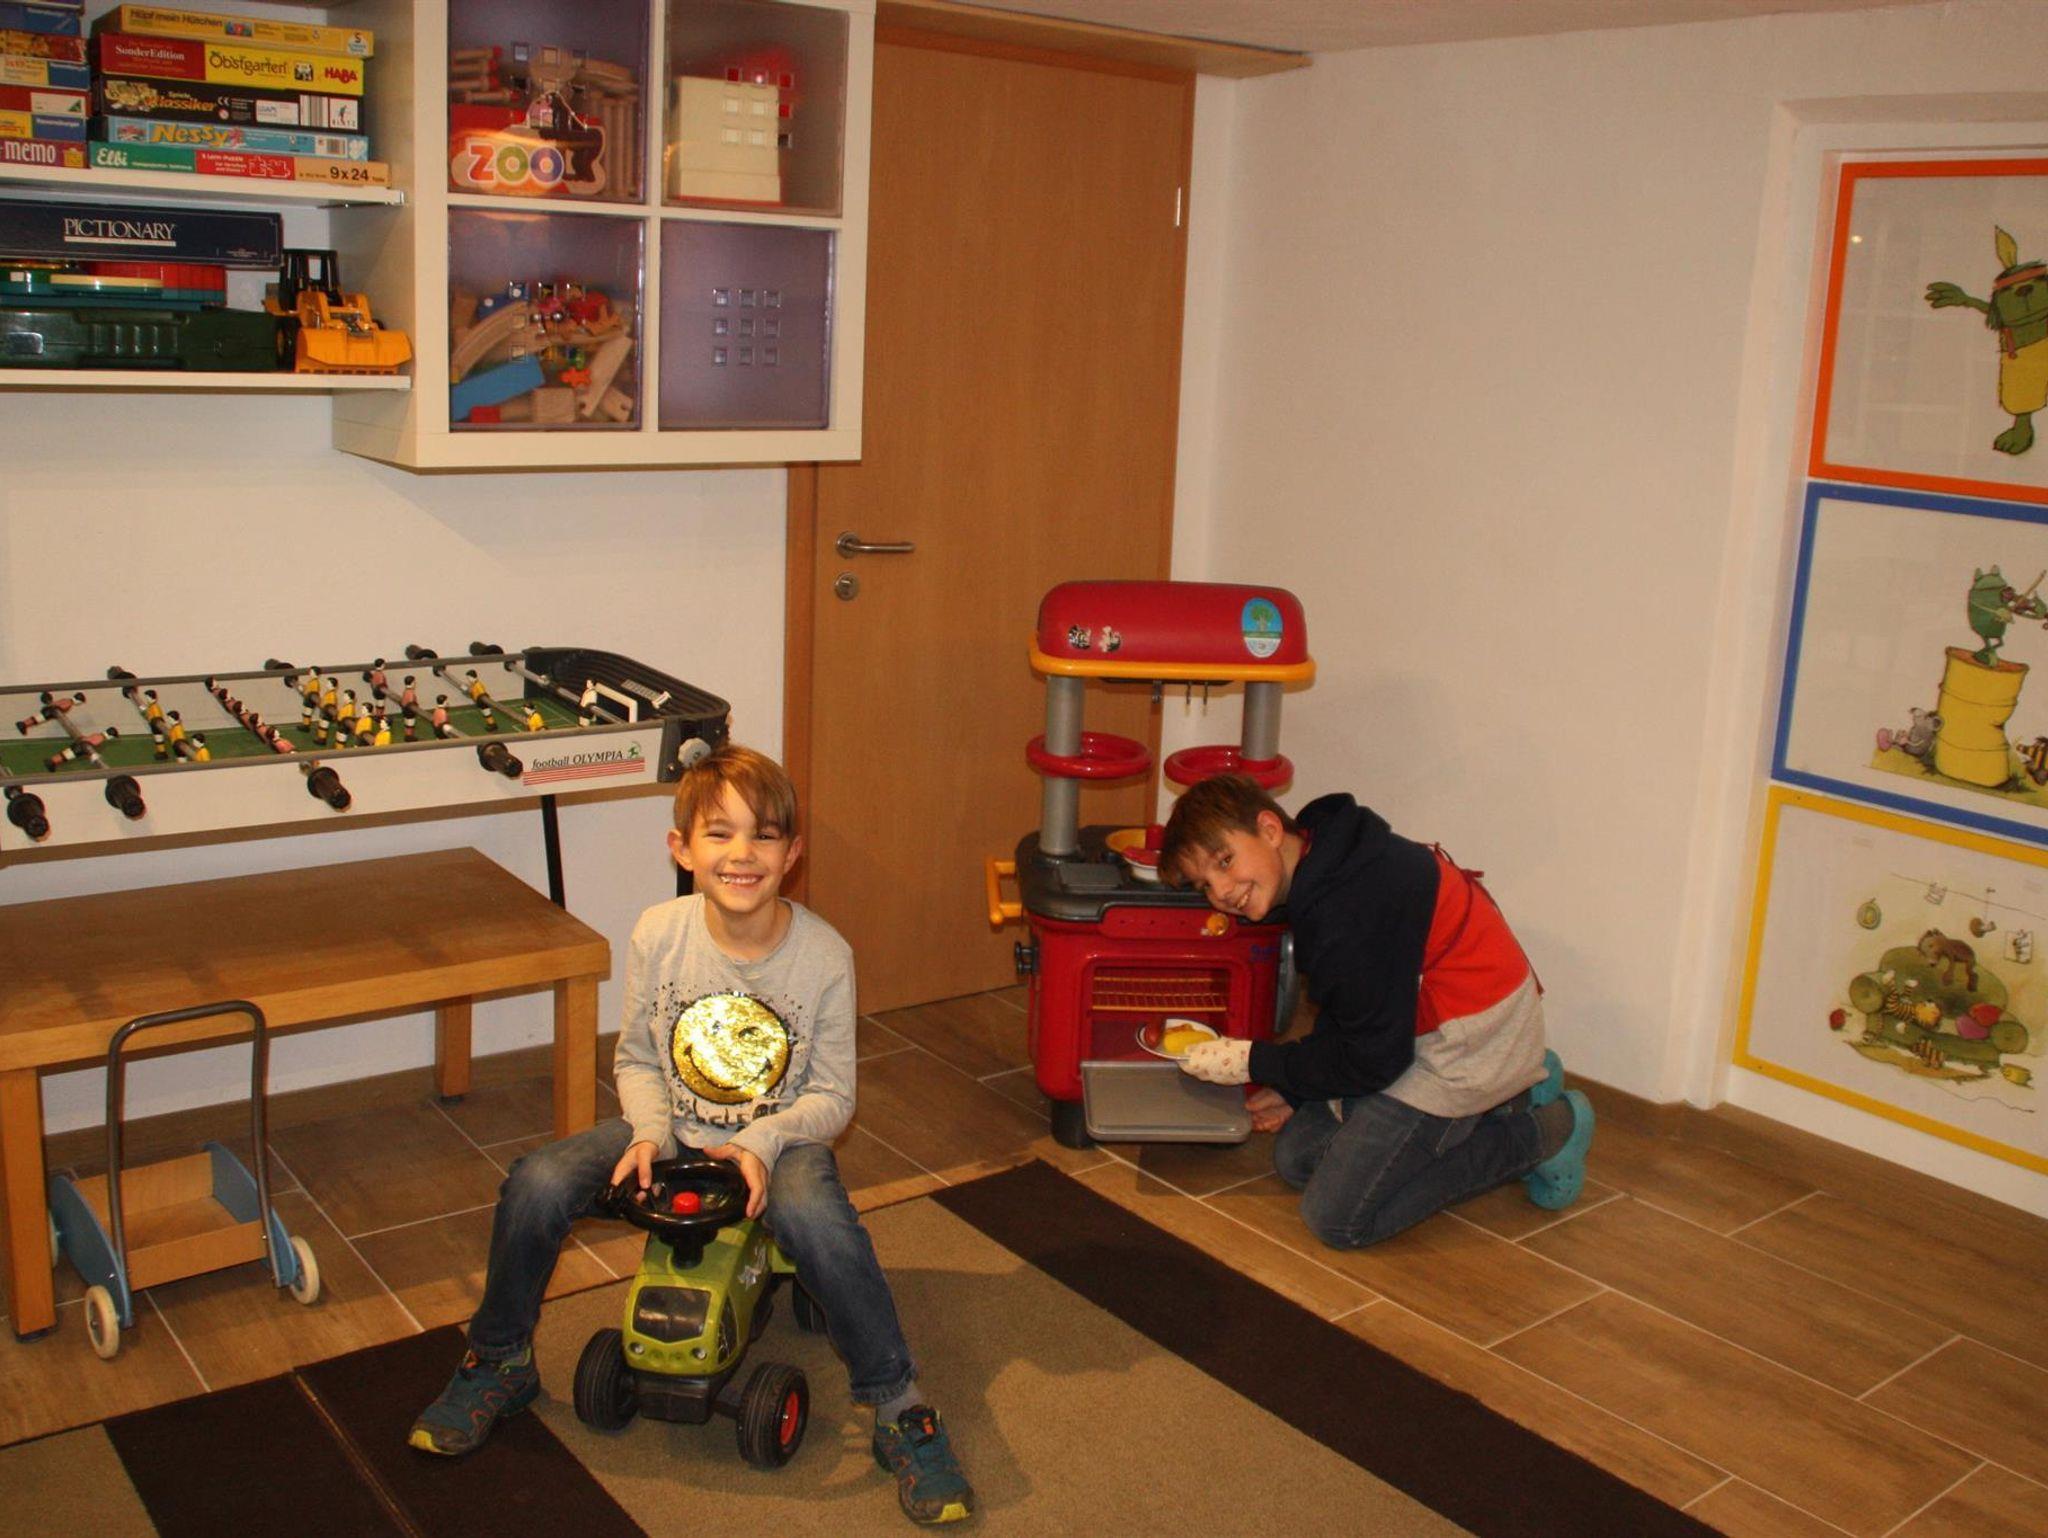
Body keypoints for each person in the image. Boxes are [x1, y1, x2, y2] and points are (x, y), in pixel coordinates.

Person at [409, 744, 976, 1526]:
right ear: (681, 849)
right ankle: (500, 1359)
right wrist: (646, 1133)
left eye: (764, 835)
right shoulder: (659, 933)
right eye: (720, 834)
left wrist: (763, 1143)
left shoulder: (824, 957)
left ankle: (898, 1405)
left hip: (778, 1142)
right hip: (671, 1127)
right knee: (538, 1181)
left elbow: (833, 1097)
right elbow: (639, 1058)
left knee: (818, 1222)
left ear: (792, 853)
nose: (742, 854)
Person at [1158, 774, 1593, 1249]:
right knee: (1297, 1160)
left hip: (1463, 1045)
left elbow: (1373, 1059)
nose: (1221, 891)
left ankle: (1544, 1132)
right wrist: (1294, 1087)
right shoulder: (1327, 857)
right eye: (1205, 883)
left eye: (1225, 861)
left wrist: (1254, 1061)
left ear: (1269, 829)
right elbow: (1354, 1007)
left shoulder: (1345, 905)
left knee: (1337, 1218)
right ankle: (1518, 1088)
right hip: (1424, 1029)